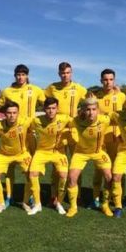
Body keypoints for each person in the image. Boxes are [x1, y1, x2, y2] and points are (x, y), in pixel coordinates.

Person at [0, 64, 46, 206]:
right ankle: (9, 196)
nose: (20, 77)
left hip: (30, 133)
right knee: (9, 166)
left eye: (23, 74)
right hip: (11, 132)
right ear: (15, 75)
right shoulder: (7, 91)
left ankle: (30, 194)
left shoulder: (36, 90)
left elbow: (49, 104)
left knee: (30, 167)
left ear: (27, 76)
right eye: (18, 74)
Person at [45, 62, 88, 204]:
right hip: (59, 131)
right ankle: (54, 194)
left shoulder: (79, 89)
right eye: (63, 73)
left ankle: (78, 194)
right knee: (57, 163)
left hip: (75, 131)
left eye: (68, 72)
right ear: (59, 73)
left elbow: (92, 99)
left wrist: (116, 91)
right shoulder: (52, 88)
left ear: (72, 73)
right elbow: (41, 99)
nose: (65, 75)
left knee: (76, 164)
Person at [66, 98, 112, 218]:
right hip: (80, 153)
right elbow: (66, 123)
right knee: (71, 178)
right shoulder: (77, 121)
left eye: (93, 109)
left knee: (109, 177)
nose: (91, 112)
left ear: (98, 111)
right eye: (88, 110)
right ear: (83, 111)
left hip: (98, 152)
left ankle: (105, 205)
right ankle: (73, 207)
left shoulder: (105, 120)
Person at [28, 97, 72, 215]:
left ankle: (59, 203)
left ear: (57, 109)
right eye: (48, 108)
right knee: (32, 173)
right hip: (41, 151)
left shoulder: (64, 118)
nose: (51, 111)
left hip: (58, 152)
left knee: (63, 175)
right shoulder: (36, 121)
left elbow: (77, 122)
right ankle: (37, 204)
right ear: (44, 109)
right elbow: (27, 128)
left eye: (53, 108)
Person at [90, 69, 126, 208]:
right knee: (99, 170)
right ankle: (95, 198)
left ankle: (118, 197)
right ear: (101, 81)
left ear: (114, 80)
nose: (108, 82)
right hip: (101, 139)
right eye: (105, 79)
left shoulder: (122, 96)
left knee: (119, 170)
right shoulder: (95, 98)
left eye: (111, 79)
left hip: (118, 138)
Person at [0, 101, 33, 214]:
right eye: (9, 113)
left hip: (22, 154)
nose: (12, 115)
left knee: (31, 175)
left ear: (18, 113)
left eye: (14, 112)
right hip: (4, 155)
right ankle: (1, 203)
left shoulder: (25, 122)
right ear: (5, 114)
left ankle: (25, 202)